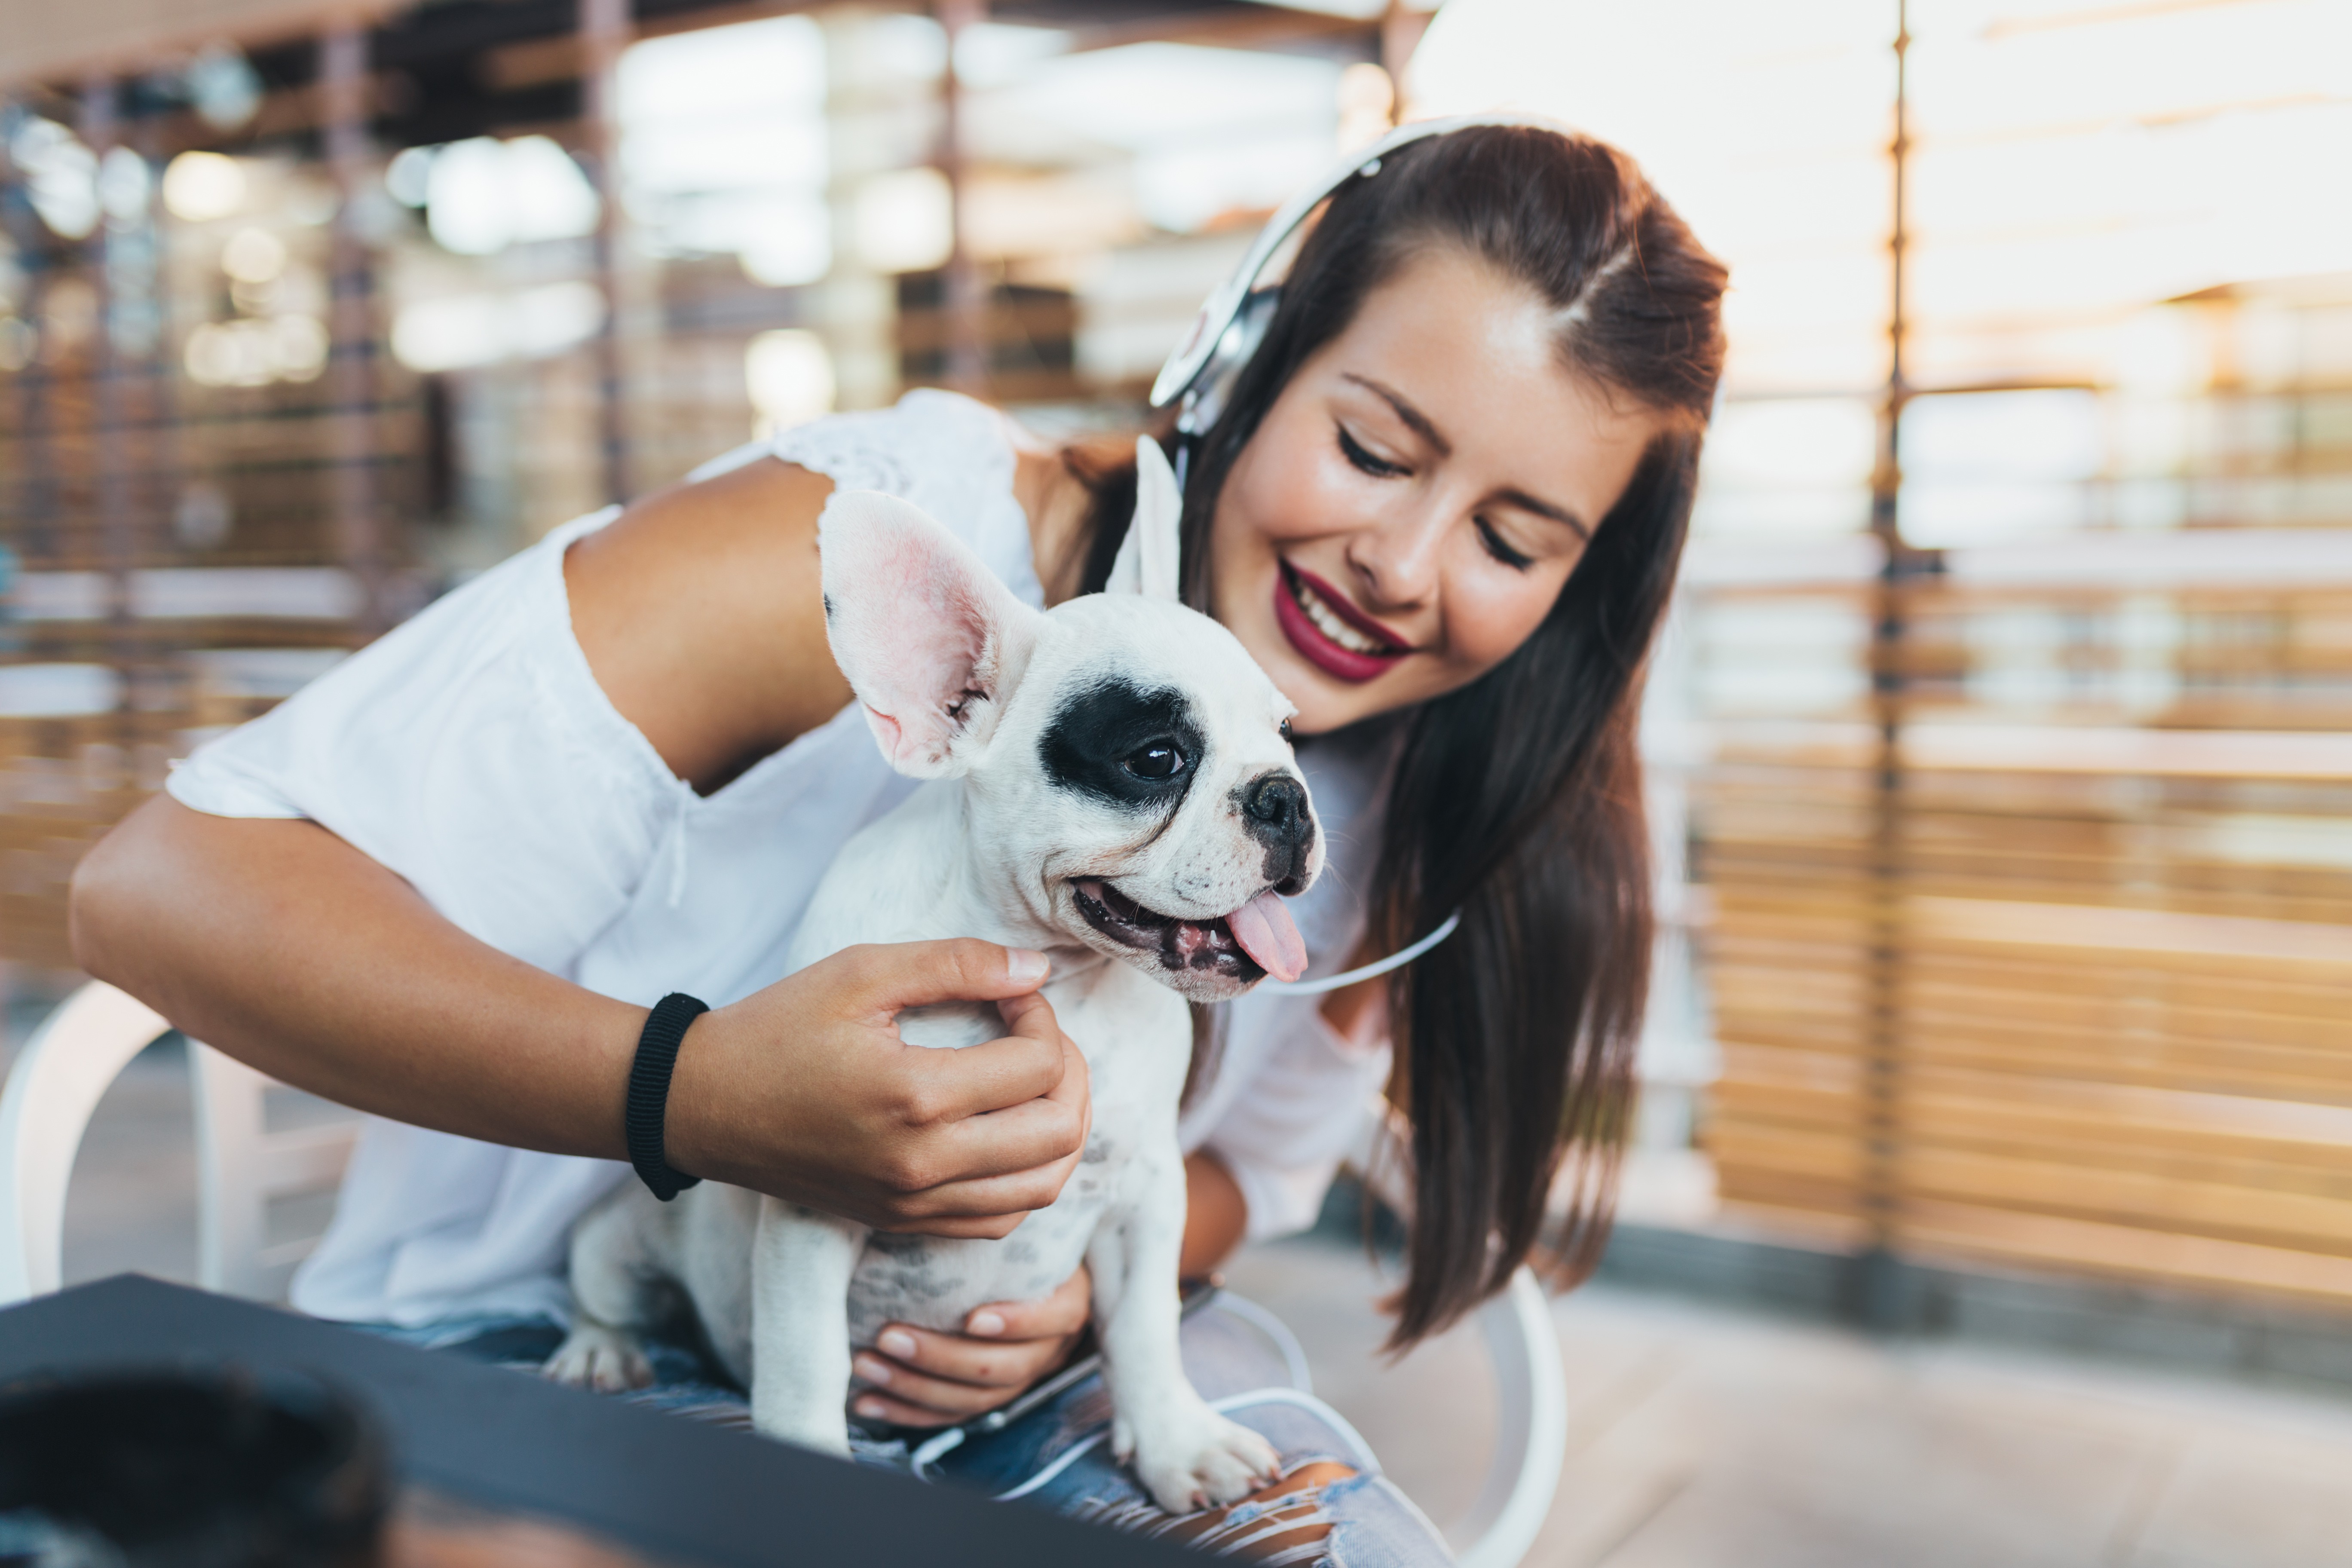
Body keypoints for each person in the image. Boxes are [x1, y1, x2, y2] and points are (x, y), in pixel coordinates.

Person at [70, 122, 1724, 1563]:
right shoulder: (897, 563)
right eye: (1371, 448)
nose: (1404, 565)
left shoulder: (1399, 775)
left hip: (1031, 1374)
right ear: (1242, 365)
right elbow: (163, 890)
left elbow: (1239, 1175)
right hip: (548, 1324)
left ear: (1582, 595)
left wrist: (1062, 1291)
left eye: (1514, 539)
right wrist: (698, 1096)